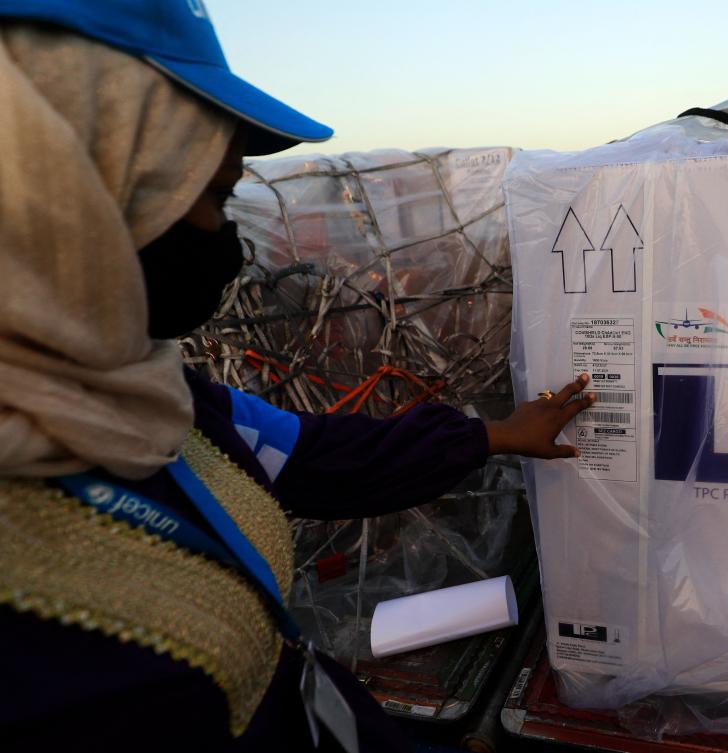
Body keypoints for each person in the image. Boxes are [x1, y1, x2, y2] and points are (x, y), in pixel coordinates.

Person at [0, 2, 594, 750]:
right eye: (212, 198)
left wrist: (491, 436)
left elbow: (308, 455)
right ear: (58, 199)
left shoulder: (146, 397)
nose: (231, 243)